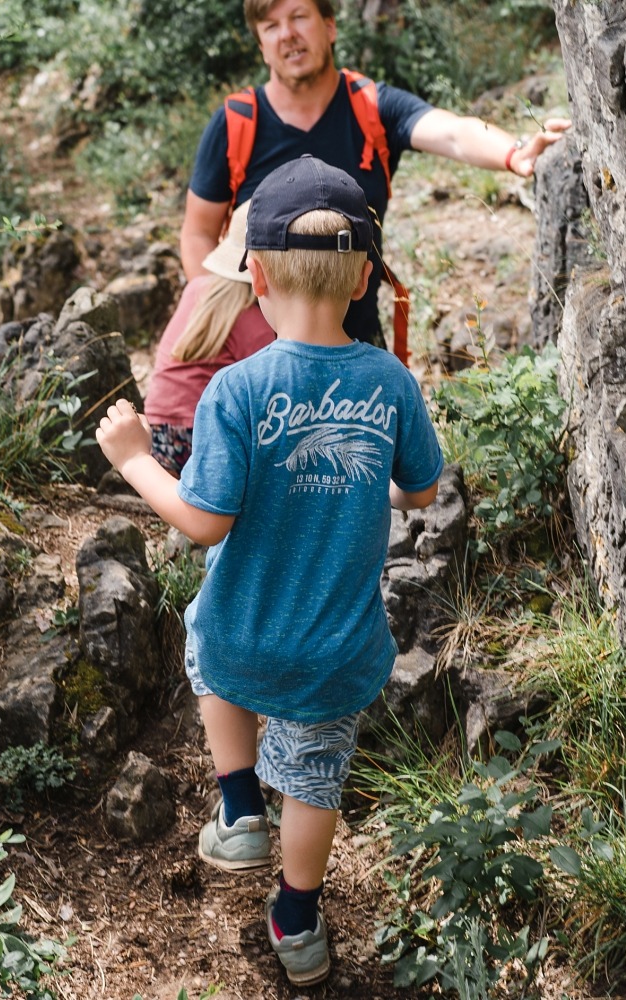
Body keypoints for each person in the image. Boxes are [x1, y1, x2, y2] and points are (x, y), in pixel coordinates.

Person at [96, 155, 444, 986]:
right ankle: (297, 919)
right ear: (364, 274)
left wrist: (135, 459)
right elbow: (423, 488)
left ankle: (241, 803)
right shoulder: (390, 382)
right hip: (337, 651)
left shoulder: (238, 389)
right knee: (317, 782)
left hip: (244, 639)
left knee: (200, 634)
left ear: (253, 273)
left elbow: (203, 519)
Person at [181, 0, 571, 350]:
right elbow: (198, 232)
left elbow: (452, 133)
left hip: (357, 342)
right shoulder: (236, 124)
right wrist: (218, 328)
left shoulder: (369, 106)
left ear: (330, 26)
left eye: (299, 17)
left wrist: (514, 152)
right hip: (258, 353)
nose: (287, 35)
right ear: (261, 44)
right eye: (271, 26)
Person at [145, 199, 275, 475]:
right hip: (199, 438)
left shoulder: (197, 289)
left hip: (158, 431)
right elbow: (269, 399)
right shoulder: (256, 326)